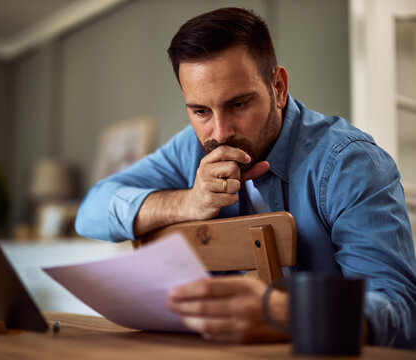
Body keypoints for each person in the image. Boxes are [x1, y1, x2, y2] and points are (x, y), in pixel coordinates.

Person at [75, 7, 416, 348]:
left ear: (278, 88)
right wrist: (188, 202)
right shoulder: (189, 148)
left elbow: (400, 312)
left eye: (238, 104)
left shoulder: (350, 163)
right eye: (200, 111)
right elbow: (90, 212)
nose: (220, 133)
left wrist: (283, 314)